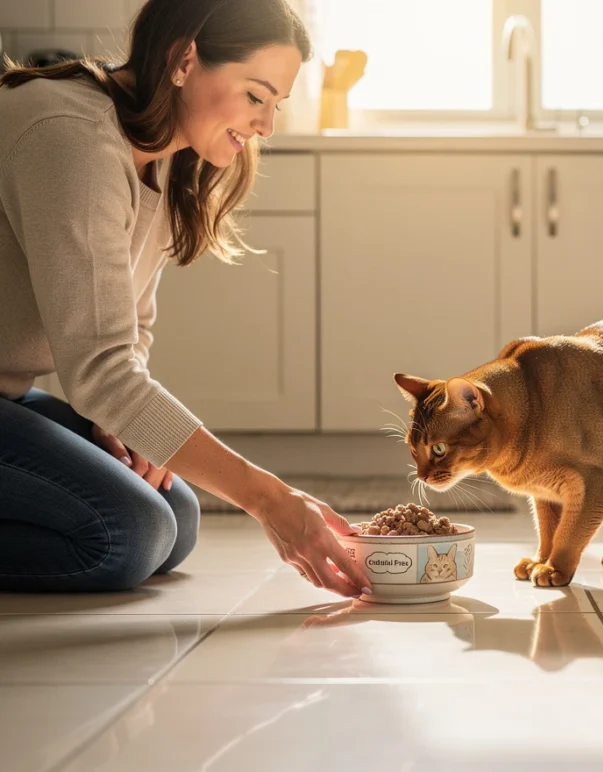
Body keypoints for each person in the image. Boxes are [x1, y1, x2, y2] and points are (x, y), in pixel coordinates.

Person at [0, 0, 373, 598]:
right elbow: (101, 370)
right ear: (184, 58)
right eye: (256, 96)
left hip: (8, 394)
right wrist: (269, 497)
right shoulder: (73, 141)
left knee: (177, 519)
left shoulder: (166, 158)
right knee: (130, 534)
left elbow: (126, 333)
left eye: (275, 104)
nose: (266, 127)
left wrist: (114, 422)